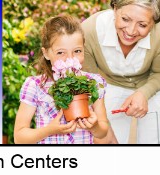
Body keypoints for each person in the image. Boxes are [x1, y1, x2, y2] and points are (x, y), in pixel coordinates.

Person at [82, 0, 160, 144]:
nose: (131, 31)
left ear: (153, 23)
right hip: (107, 85)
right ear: (115, 9)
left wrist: (143, 93)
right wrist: (102, 122)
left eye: (142, 25)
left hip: (154, 83)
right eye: (125, 19)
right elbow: (90, 81)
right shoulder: (89, 31)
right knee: (110, 140)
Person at [14, 15, 116, 144]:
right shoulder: (35, 85)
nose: (70, 59)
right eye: (61, 52)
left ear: (84, 49)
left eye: (77, 51)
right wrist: (50, 130)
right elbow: (19, 138)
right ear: (46, 53)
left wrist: (94, 126)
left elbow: (103, 131)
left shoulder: (94, 82)